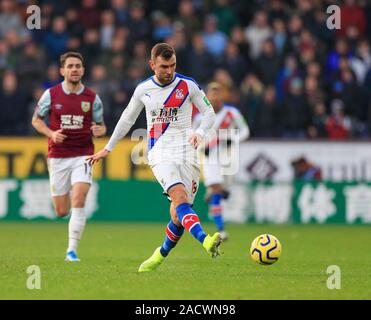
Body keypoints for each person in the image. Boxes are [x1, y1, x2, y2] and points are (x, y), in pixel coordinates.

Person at [87, 43, 222, 273]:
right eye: (163, 66)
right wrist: (108, 148)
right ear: (152, 65)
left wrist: (200, 133)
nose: (169, 70)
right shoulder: (143, 90)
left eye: (172, 65)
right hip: (160, 152)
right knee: (179, 198)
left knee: (179, 215)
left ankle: (160, 254)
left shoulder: (188, 85)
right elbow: (127, 119)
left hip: (188, 153)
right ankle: (206, 240)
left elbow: (208, 112)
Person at [32, 52, 106, 262]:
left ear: (83, 70)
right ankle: (70, 237)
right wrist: (51, 134)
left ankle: (71, 251)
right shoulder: (51, 95)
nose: (74, 69)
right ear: (62, 70)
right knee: (61, 210)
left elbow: (100, 125)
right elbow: (36, 120)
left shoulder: (92, 98)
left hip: (83, 155)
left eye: (78, 66)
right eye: (70, 66)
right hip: (58, 156)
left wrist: (100, 130)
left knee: (79, 197)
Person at [193, 82, 250, 240]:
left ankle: (214, 193)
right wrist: (201, 148)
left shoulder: (232, 113)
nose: (215, 97)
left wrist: (233, 138)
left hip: (229, 158)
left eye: (218, 93)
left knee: (224, 192)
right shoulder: (200, 117)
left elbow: (245, 131)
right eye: (212, 93)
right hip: (210, 157)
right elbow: (192, 136)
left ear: (223, 95)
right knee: (217, 189)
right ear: (206, 96)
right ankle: (221, 229)